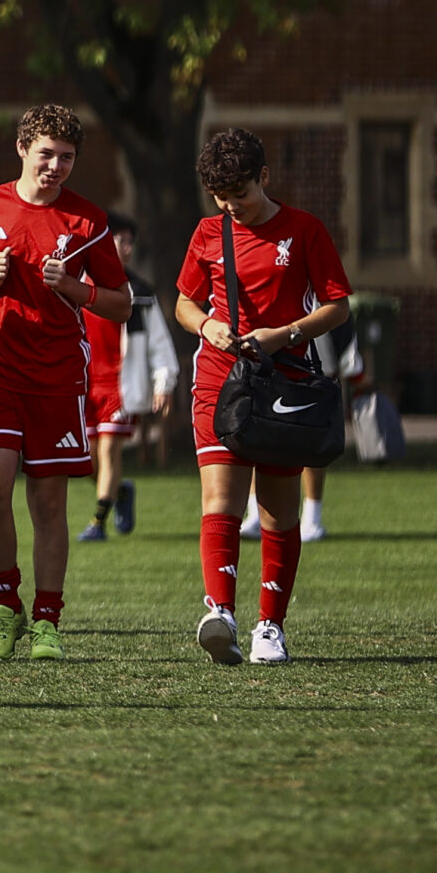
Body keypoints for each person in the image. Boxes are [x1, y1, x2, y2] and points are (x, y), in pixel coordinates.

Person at [0, 104, 130, 661]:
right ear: (21, 149)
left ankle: (46, 620)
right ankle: (4, 605)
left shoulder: (87, 221)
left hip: (60, 373)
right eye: (46, 154)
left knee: (47, 501)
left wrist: (76, 290)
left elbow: (122, 303)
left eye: (67, 157)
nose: (56, 166)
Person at [174, 126, 354, 667]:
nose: (233, 208)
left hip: (285, 381)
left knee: (277, 511)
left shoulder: (304, 230)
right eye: (222, 199)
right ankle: (221, 614)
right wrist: (208, 326)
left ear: (265, 178)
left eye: (242, 195)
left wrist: (283, 335)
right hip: (219, 382)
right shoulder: (208, 232)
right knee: (220, 502)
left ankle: (269, 628)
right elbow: (184, 302)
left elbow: (338, 306)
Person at [78, 214, 178, 543]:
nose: (127, 248)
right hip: (84, 387)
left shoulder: (140, 293)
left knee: (109, 453)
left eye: (130, 242)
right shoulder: (78, 285)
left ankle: (97, 522)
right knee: (86, 460)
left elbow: (158, 342)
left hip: (121, 386)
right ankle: (120, 490)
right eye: (120, 240)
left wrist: (164, 382)